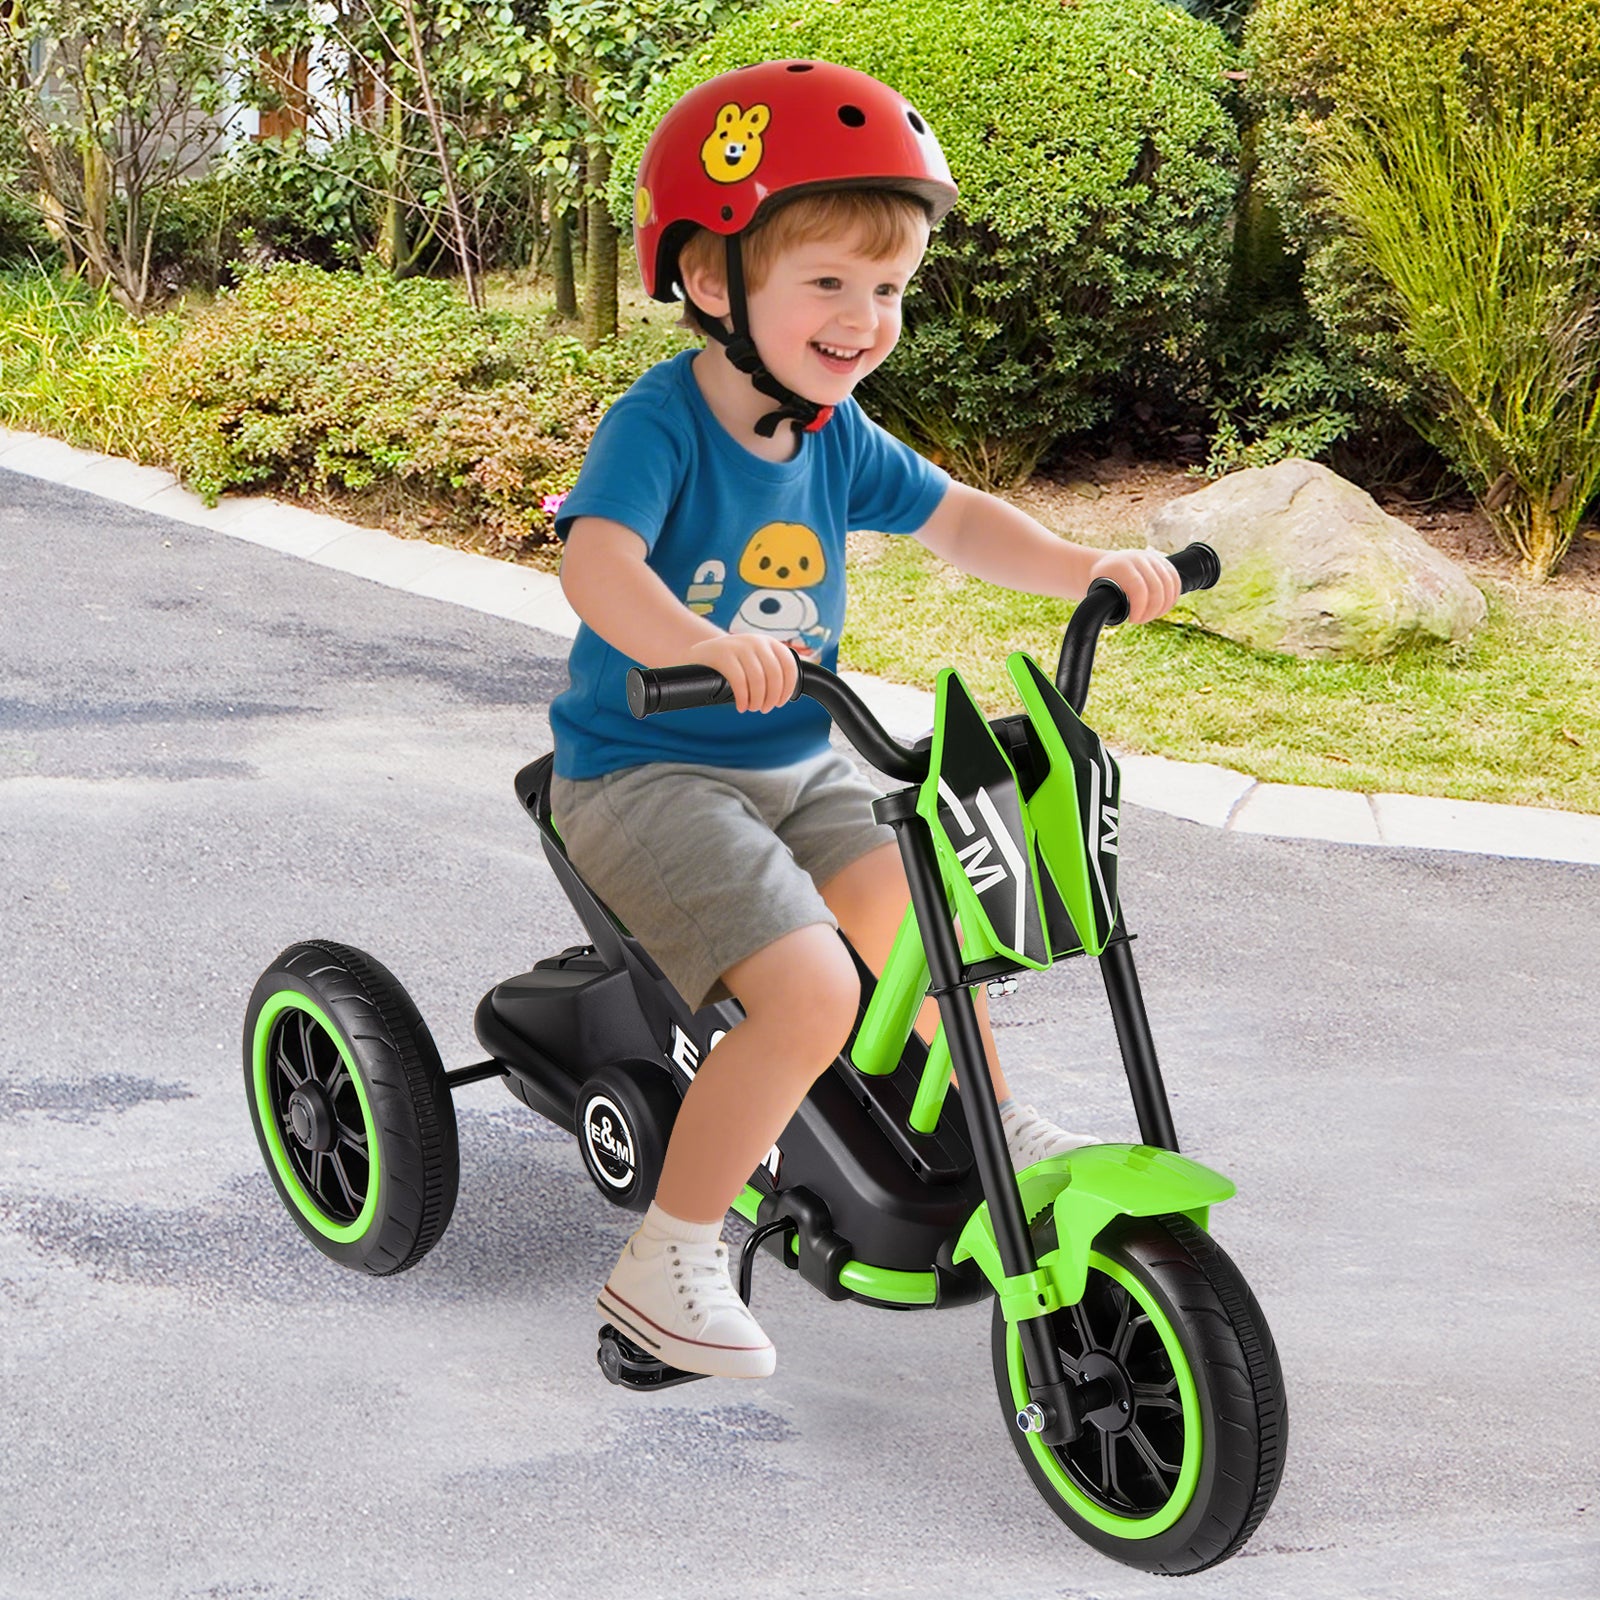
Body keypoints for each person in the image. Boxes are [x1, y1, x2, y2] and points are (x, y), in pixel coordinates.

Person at [549, 60, 1181, 1380]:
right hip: (645, 773)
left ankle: (999, 1132)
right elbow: (598, 562)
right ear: (716, 283)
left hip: (789, 761)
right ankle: (670, 1257)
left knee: (938, 921)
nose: (865, 316)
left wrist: (1088, 568)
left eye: (887, 288)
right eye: (827, 282)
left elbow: (955, 516)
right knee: (813, 993)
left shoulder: (835, 433)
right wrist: (698, 644)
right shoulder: (661, 425)